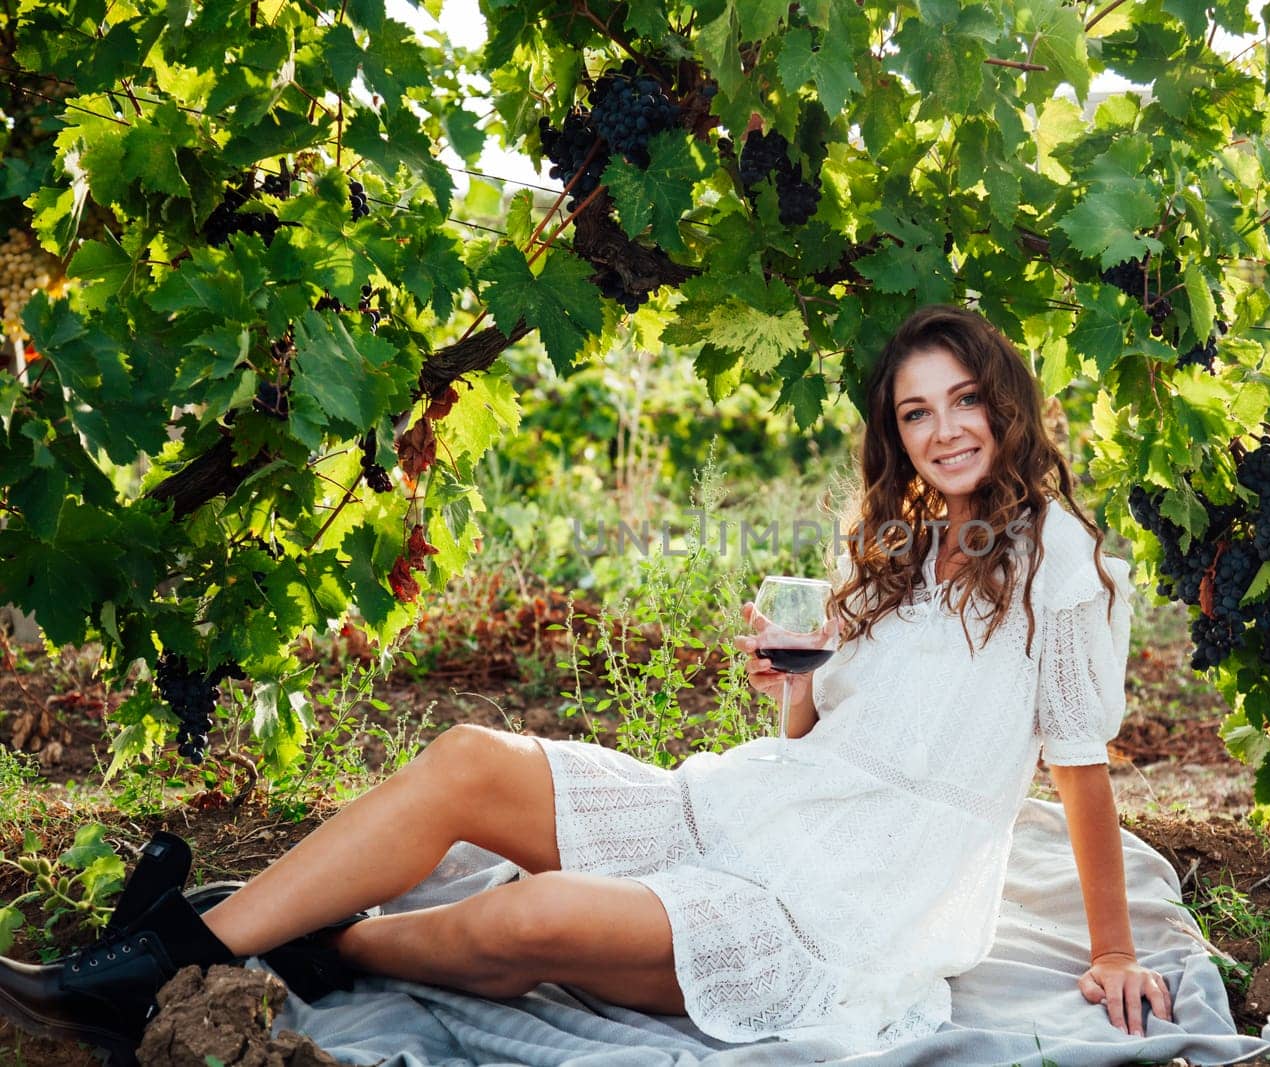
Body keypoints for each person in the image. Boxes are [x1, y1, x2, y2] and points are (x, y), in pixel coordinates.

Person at [0, 304, 1173, 1063]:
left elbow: (1080, 769)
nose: (943, 429)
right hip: (757, 804)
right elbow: (815, 729)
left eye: (962, 400)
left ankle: (304, 941)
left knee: (531, 916)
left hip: (850, 901)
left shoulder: (1064, 567)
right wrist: (789, 674)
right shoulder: (897, 548)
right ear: (897, 431)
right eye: (916, 411)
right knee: (467, 754)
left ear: (1004, 401)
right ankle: (178, 951)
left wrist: (1112, 949)